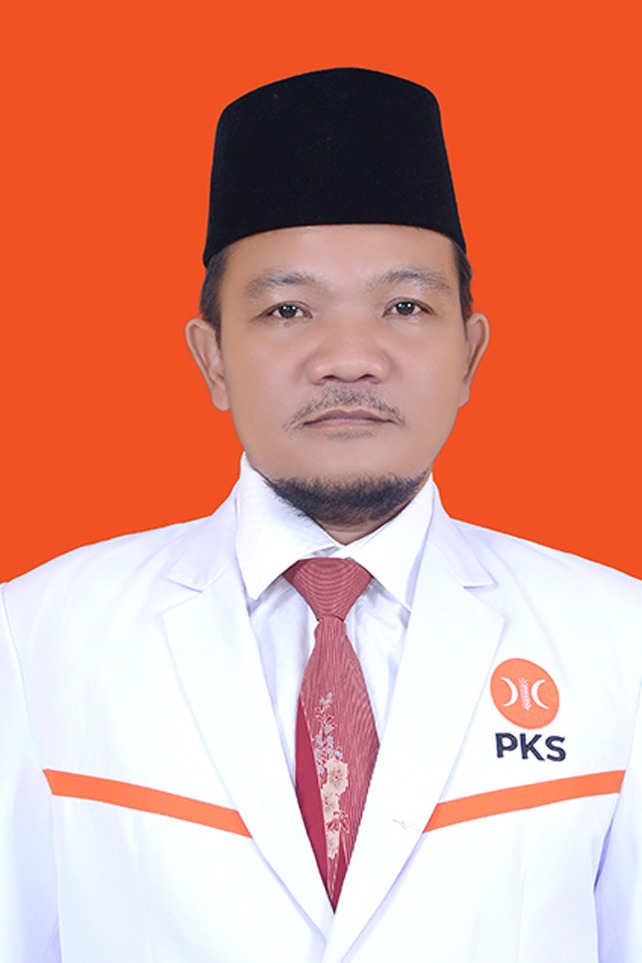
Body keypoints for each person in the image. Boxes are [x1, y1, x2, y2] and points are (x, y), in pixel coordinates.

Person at [1, 67, 640, 963]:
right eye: (288, 308)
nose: (348, 357)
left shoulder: (618, 640)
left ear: (470, 355)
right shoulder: (37, 639)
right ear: (213, 358)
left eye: (406, 306)